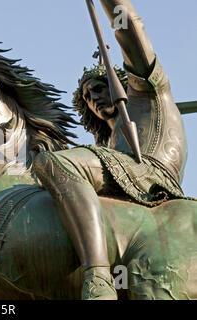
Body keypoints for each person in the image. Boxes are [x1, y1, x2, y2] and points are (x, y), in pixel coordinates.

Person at [33, 0, 187, 300]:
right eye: (88, 96)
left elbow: (130, 30)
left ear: (116, 82)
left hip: (150, 174)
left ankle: (98, 274)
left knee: (55, 163)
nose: (93, 98)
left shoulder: (147, 93)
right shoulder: (107, 144)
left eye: (99, 88)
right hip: (126, 182)